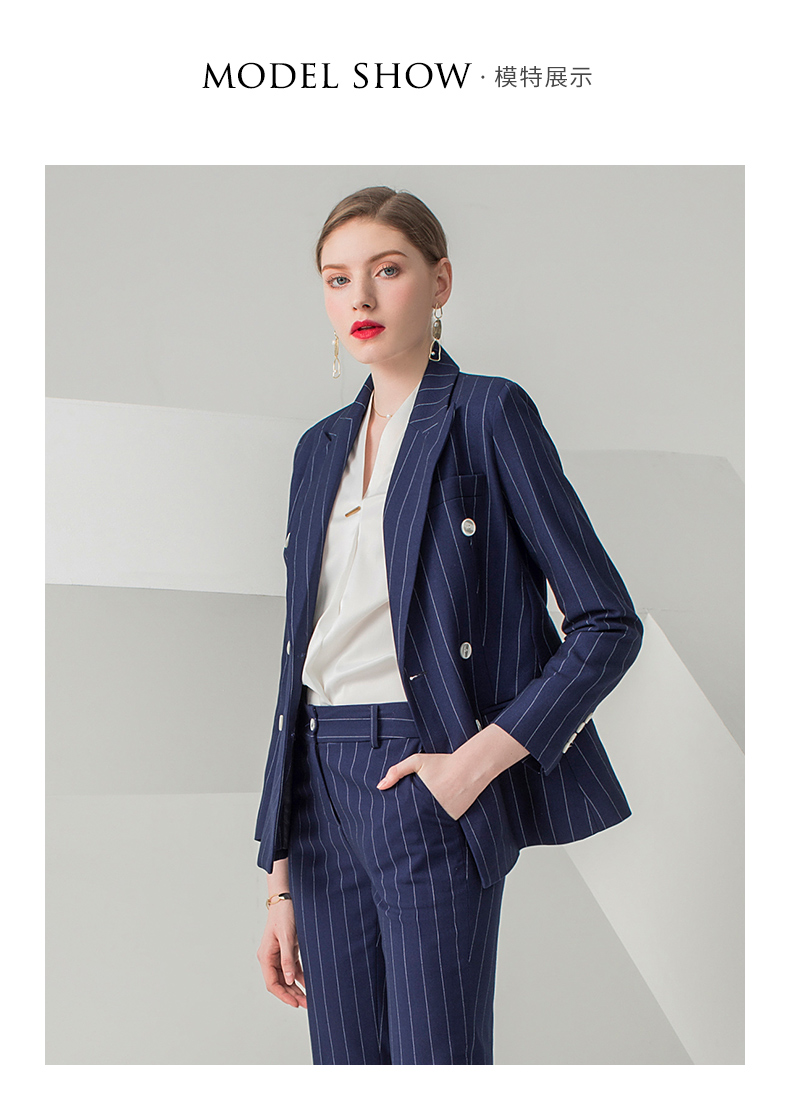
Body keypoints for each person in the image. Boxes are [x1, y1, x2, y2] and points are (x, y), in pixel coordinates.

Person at [254, 186, 643, 1065]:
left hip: (423, 772)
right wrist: (279, 875)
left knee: (439, 1063)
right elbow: (296, 666)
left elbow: (606, 622)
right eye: (337, 278)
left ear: (440, 282)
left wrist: (472, 765)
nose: (360, 297)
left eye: (386, 270)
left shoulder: (488, 414)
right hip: (317, 793)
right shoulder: (317, 449)